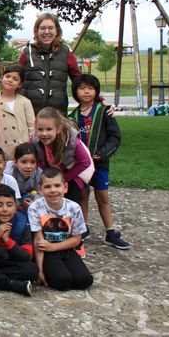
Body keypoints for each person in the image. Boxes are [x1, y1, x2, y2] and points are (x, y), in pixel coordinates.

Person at [68, 74, 130, 249]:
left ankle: (110, 232)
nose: (86, 92)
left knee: (102, 196)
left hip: (100, 163)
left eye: (90, 88)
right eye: (82, 88)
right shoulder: (72, 116)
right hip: (81, 165)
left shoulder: (104, 112)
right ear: (75, 92)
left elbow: (115, 137)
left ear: (96, 91)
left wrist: (102, 154)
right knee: (82, 195)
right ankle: (83, 228)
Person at [28, 168, 93, 291]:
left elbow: (76, 239)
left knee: (84, 280)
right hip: (46, 252)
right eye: (47, 187)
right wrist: (39, 270)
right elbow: (38, 241)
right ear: (40, 189)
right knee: (63, 281)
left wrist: (53, 247)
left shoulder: (74, 208)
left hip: (65, 247)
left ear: (65, 187)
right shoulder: (35, 208)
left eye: (57, 185)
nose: (53, 190)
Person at [18, 12, 81, 114]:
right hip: (30, 114)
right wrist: (1, 97)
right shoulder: (27, 52)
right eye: (42, 28)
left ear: (57, 31)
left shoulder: (66, 52)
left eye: (50, 28)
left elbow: (78, 80)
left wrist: (97, 101)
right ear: (36, 31)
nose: (46, 32)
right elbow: (15, 78)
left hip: (57, 114)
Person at [32, 107, 93, 205]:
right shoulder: (35, 141)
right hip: (56, 170)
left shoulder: (71, 141)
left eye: (49, 129)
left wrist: (63, 178)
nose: (44, 134)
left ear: (58, 129)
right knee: (49, 194)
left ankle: (72, 213)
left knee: (71, 197)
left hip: (76, 171)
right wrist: (46, 175)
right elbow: (38, 159)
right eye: (40, 129)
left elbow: (85, 162)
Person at [0, 65, 35, 161]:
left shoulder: (25, 102)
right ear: (2, 78)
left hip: (23, 150)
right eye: (7, 76)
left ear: (20, 84)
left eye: (15, 79)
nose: (10, 80)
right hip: (2, 149)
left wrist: (30, 147)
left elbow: (32, 127)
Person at [5, 142, 43, 212]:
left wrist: (34, 203)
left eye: (32, 162)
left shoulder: (38, 173)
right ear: (15, 162)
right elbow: (4, 194)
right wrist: (19, 206)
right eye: (24, 162)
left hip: (27, 196)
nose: (28, 166)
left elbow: (40, 192)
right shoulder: (8, 173)